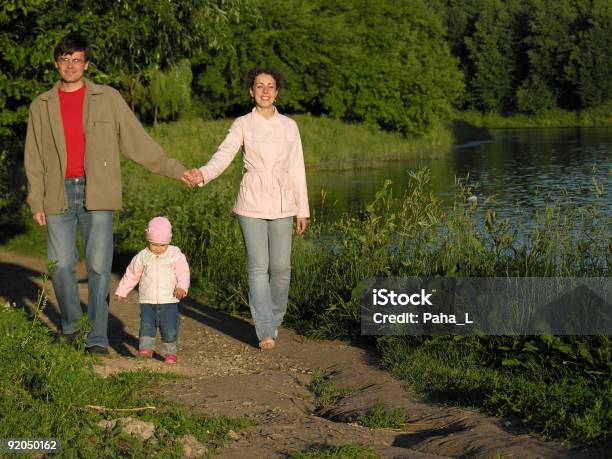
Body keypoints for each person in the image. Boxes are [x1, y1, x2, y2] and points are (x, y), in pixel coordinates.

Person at [23, 33, 187, 354]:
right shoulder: (40, 106)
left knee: (99, 266)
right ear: (57, 63)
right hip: (57, 193)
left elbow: (138, 142)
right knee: (60, 264)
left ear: (86, 64)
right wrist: (35, 199)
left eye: (76, 60)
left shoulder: (108, 98)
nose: (70, 65)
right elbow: (34, 157)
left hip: (98, 193)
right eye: (64, 59)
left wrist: (176, 169)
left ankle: (97, 336)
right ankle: (71, 326)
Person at [182, 68, 309, 350]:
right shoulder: (242, 124)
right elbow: (223, 155)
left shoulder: (290, 126)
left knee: (281, 268)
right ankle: (264, 329)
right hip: (251, 203)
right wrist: (203, 174)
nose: (265, 91)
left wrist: (303, 209)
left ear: (277, 92)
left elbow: (297, 167)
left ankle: (273, 318)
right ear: (251, 91)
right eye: (259, 86)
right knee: (258, 267)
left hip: (284, 202)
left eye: (271, 86)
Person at [114, 216, 189, 364]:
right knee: (147, 325)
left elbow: (183, 272)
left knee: (169, 328)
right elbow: (132, 274)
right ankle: (146, 349)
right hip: (147, 300)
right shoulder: (142, 256)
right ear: (148, 240)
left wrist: (182, 286)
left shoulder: (175, 255)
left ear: (169, 241)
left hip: (169, 300)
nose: (158, 249)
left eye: (162, 245)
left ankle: (170, 353)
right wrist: (122, 290)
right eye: (154, 245)